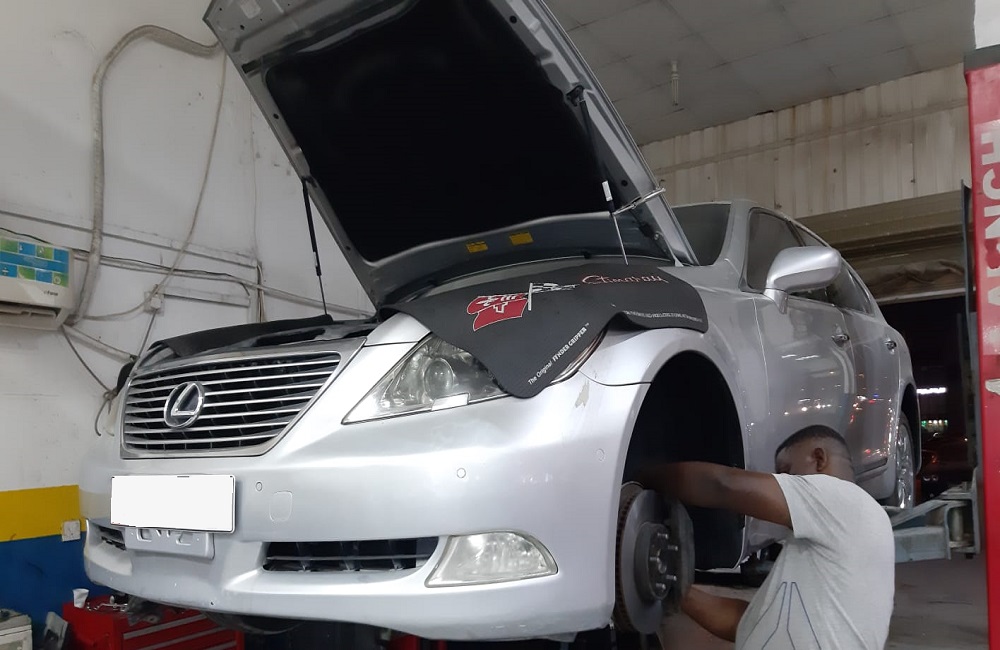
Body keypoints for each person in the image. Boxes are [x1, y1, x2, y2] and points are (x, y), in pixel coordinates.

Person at [639, 425, 895, 649]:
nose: (780, 482)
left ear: (819, 459)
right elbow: (747, 624)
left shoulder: (842, 498)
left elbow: (722, 484)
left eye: (786, 472)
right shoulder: (841, 535)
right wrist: (674, 586)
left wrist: (637, 476)